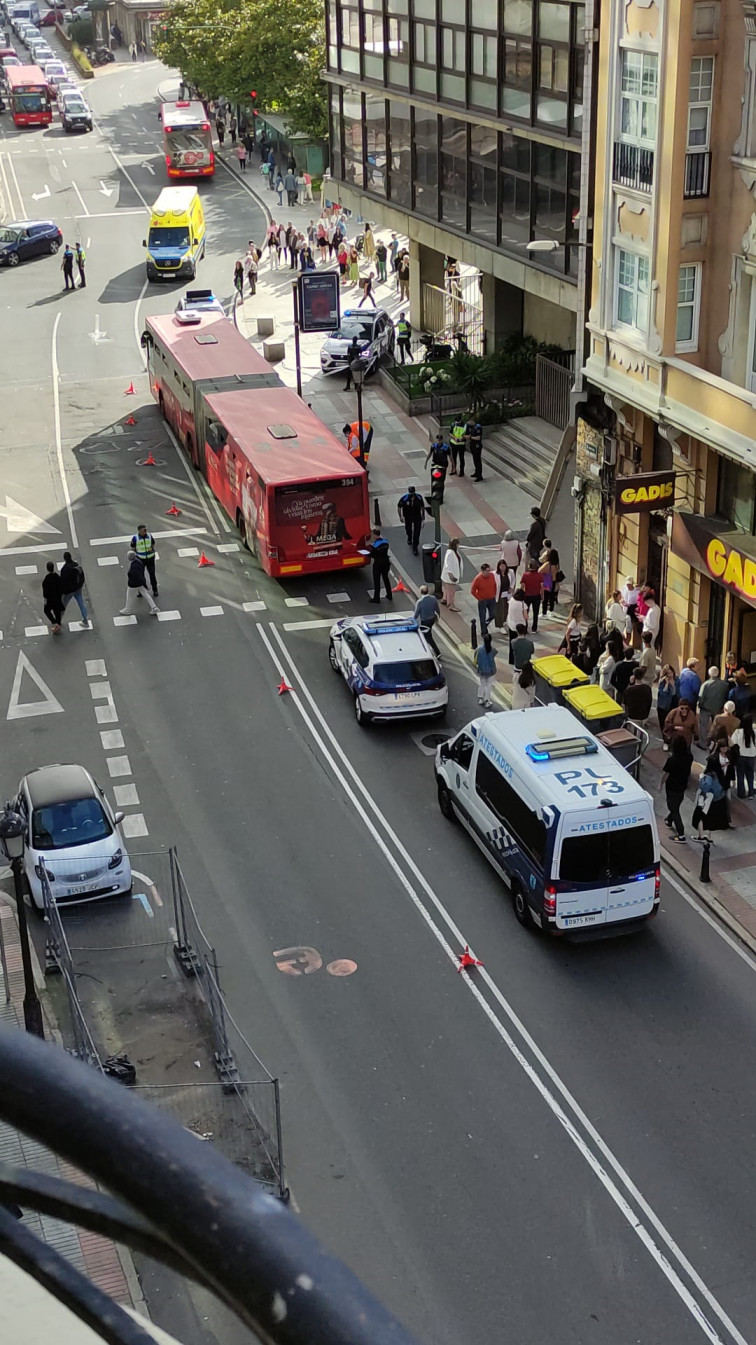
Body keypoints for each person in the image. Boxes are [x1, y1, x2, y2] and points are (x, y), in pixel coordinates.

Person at [692, 749, 734, 840]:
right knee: (711, 820)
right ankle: (710, 838)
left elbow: (705, 788)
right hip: (718, 798)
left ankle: (701, 836)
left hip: (707, 799)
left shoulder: (708, 776)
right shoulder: (720, 775)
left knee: (699, 817)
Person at [661, 734, 693, 842]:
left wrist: (660, 784)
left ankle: (681, 834)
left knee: (674, 808)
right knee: (676, 804)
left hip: (672, 786)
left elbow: (666, 773)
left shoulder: (672, 760)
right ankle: (669, 820)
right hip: (682, 784)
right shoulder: (689, 756)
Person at [697, 665, 729, 747]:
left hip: (706, 708)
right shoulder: (724, 684)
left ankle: (703, 743)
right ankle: (715, 743)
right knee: (717, 726)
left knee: (703, 725)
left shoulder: (705, 684)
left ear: (709, 674)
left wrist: (700, 705)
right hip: (718, 708)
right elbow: (726, 696)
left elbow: (701, 697)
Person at [121, 550, 160, 616]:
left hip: (133, 584)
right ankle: (154, 607)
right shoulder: (138, 562)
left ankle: (127, 610)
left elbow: (138, 576)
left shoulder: (134, 565)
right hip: (139, 584)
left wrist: (145, 584)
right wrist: (144, 584)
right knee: (146, 594)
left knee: (129, 596)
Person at [60, 550, 88, 626]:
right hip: (78, 588)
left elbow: (63, 582)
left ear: (64, 559)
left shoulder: (64, 569)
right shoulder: (76, 565)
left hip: (69, 591)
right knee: (81, 603)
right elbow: (81, 576)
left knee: (63, 606)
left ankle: (58, 621)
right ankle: (85, 621)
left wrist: (62, 593)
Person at [732, 714, 756, 798]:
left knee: (740, 774)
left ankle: (741, 793)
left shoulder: (738, 732)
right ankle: (751, 793)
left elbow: (732, 743)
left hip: (741, 756)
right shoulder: (754, 732)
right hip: (751, 756)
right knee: (750, 775)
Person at [130, 524, 158, 596]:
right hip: (140, 559)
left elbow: (153, 543)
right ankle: (142, 591)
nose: (146, 531)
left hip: (150, 558)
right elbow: (133, 548)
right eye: (144, 530)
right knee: (141, 576)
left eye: (146, 530)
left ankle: (155, 590)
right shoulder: (135, 538)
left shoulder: (149, 536)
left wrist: (151, 548)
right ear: (140, 531)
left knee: (152, 574)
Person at [471, 562, 497, 636]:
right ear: (482, 571)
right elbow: (473, 591)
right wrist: (479, 598)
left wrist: (494, 593)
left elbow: (495, 584)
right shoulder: (478, 579)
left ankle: (485, 625)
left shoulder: (492, 575)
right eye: (487, 571)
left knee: (493, 614)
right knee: (482, 616)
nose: (488, 572)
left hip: (491, 598)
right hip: (483, 600)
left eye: (489, 570)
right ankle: (484, 631)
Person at [397, 485, 425, 554]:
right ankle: (409, 536)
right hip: (408, 516)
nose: (412, 496)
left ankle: (415, 547)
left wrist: (423, 517)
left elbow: (422, 507)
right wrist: (400, 516)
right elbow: (399, 507)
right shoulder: (404, 498)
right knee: (408, 529)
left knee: (417, 532)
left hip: (417, 516)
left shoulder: (419, 497)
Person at [414, 585, 440, 655]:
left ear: (420, 592)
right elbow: (437, 609)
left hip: (425, 621)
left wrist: (412, 620)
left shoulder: (420, 602)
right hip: (432, 619)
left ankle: (437, 652)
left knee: (427, 636)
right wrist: (438, 616)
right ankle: (429, 650)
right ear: (428, 591)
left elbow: (416, 614)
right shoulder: (433, 598)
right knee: (427, 634)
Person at [368, 528, 392, 603]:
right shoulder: (386, 542)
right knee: (386, 579)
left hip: (378, 564)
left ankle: (376, 598)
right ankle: (389, 595)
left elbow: (372, 555)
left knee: (377, 581)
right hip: (386, 563)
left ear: (375, 535)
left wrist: (366, 553)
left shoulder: (375, 546)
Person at [473, 632, 497, 708]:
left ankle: (480, 698)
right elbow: (494, 654)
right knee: (488, 686)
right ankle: (487, 700)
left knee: (482, 684)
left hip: (482, 670)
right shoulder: (493, 650)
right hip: (491, 671)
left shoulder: (479, 649)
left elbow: (475, 658)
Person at [656, 664, 679, 738]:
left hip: (674, 702)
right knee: (664, 722)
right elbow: (662, 693)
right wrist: (666, 684)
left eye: (671, 672)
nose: (670, 675)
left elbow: (677, 691)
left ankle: (671, 736)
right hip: (664, 704)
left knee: (672, 721)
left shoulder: (677, 680)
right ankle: (665, 738)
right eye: (668, 673)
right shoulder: (662, 681)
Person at [520, 560, 543, 633]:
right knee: (535, 613)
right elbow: (542, 587)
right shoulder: (539, 575)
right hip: (536, 595)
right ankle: (534, 628)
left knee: (525, 612)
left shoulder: (525, 575)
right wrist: (542, 596)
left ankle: (525, 627)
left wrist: (521, 595)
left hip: (527, 596)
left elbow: (522, 586)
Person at [42, 560, 64, 633]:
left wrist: (45, 600)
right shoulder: (57, 577)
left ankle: (55, 623)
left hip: (50, 600)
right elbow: (61, 588)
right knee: (57, 612)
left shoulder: (46, 579)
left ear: (47, 569)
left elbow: (45, 593)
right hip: (57, 598)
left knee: (46, 610)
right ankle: (58, 624)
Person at [441, 538, 462, 611]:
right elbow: (448, 565)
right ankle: (451, 605)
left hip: (451, 575)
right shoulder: (450, 553)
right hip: (450, 577)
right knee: (451, 591)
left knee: (447, 589)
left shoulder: (453, 552)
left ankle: (445, 599)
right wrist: (451, 575)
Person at [493, 560, 511, 629]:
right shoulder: (495, 574)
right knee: (499, 609)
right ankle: (499, 625)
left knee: (506, 608)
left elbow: (512, 581)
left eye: (504, 566)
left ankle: (504, 621)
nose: (503, 568)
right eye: (501, 566)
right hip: (499, 594)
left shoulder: (510, 572)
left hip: (507, 594)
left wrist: (511, 588)